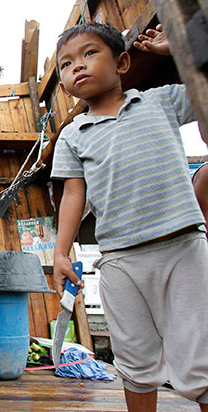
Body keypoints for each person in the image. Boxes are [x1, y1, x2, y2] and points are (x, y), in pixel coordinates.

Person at [51, 22, 208, 411]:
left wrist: (181, 53)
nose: (78, 66)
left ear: (122, 61)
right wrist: (60, 253)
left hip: (183, 247)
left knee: (202, 357)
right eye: (66, 64)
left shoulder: (162, 101)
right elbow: (73, 193)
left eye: (90, 53)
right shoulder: (73, 135)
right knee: (135, 360)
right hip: (120, 259)